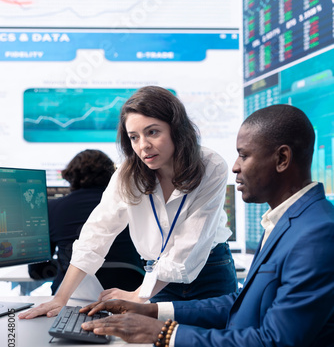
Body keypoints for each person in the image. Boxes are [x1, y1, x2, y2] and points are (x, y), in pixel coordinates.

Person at [78, 104, 334, 347]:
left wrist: (163, 333)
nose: (236, 167)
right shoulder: (287, 221)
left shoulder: (317, 234)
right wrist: (152, 310)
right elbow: (242, 304)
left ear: (282, 159)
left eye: (244, 155)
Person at [20, 86, 236, 320]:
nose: (143, 145)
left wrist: (138, 294)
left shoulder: (211, 166)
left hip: (210, 272)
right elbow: (96, 235)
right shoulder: (128, 174)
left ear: (177, 130)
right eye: (134, 137)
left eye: (152, 132)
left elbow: (188, 248)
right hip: (156, 278)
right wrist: (59, 299)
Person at [28, 149, 144, 294]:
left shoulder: (51, 209)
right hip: (130, 290)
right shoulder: (132, 206)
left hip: (72, 293)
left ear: (70, 176)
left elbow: (37, 271)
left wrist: (62, 264)